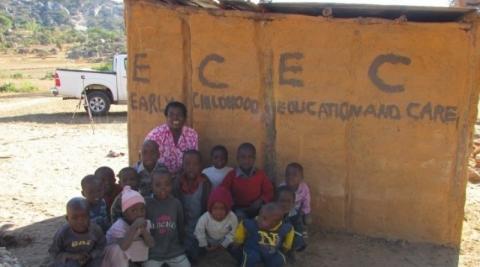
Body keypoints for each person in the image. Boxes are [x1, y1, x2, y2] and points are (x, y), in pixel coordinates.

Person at [145, 170, 190, 267]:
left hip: (174, 250)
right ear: (151, 187)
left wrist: (181, 243)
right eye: (158, 185)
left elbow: (180, 225)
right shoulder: (147, 203)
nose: (163, 188)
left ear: (172, 185)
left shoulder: (176, 203)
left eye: (167, 184)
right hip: (154, 252)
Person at [102, 186, 155, 267]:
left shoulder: (145, 223)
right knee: (118, 249)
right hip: (112, 257)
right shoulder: (119, 226)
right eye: (134, 210)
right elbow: (123, 246)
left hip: (129, 256)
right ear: (125, 214)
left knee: (141, 243)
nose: (139, 213)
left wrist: (144, 230)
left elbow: (151, 244)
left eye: (142, 209)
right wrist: (134, 227)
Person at [175, 150, 212, 263]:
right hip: (182, 227)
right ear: (182, 165)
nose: (191, 167)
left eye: (195, 164)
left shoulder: (205, 183)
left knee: (197, 255)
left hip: (199, 226)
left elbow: (209, 207)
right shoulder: (177, 183)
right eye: (187, 164)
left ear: (201, 166)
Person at [220, 143, 273, 220]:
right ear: (238, 158)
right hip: (239, 208)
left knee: (266, 215)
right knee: (240, 218)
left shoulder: (260, 174)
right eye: (243, 157)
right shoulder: (232, 175)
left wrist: (260, 201)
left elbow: (269, 191)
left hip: (257, 207)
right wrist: (232, 203)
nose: (246, 160)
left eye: (250, 157)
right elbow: (223, 191)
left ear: (254, 158)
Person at [232, 203, 294, 267]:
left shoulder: (282, 228)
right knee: (250, 258)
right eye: (260, 216)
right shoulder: (252, 224)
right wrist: (238, 241)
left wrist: (287, 246)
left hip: (272, 252)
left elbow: (290, 229)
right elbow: (243, 224)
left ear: (276, 223)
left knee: (279, 259)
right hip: (254, 250)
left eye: (265, 219)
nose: (260, 220)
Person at [48, 197, 105, 267]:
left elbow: (101, 246)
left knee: (98, 262)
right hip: (70, 260)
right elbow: (54, 253)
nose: (80, 221)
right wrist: (73, 256)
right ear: (67, 219)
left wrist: (91, 255)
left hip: (89, 258)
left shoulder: (96, 230)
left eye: (84, 216)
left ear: (89, 216)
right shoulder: (62, 233)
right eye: (74, 218)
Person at [145, 101, 198, 175]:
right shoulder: (156, 135)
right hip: (159, 177)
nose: (175, 118)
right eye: (171, 115)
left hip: (183, 176)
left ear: (185, 118)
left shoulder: (191, 134)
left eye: (179, 115)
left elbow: (194, 159)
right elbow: (147, 159)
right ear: (166, 117)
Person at [193, 186, 238, 254]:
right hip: (209, 239)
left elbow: (232, 233)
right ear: (210, 208)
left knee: (235, 247)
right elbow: (199, 231)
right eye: (215, 208)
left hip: (224, 239)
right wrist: (205, 245)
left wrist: (223, 245)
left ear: (227, 208)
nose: (218, 212)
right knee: (195, 246)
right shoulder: (205, 217)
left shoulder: (232, 217)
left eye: (222, 208)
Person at [276, 186, 307, 254]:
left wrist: (302, 236)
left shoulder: (295, 213)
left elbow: (299, 227)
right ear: (276, 201)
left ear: (293, 203)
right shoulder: (272, 212)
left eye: (289, 201)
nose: (285, 204)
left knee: (299, 238)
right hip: (276, 236)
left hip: (291, 235)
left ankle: (293, 250)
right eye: (282, 201)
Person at [282, 163, 312, 231]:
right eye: (288, 174)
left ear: (301, 178)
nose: (290, 177)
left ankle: (302, 231)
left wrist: (304, 212)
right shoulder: (282, 187)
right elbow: (278, 202)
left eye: (294, 175)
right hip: (286, 211)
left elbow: (306, 202)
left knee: (308, 220)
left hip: (299, 211)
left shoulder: (304, 188)